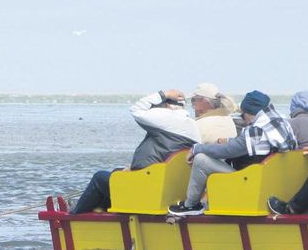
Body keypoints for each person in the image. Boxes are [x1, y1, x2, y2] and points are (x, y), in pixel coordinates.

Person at [70, 89, 200, 214]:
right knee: (116, 172)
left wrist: (164, 94)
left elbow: (136, 109)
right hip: (164, 186)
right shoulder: (192, 125)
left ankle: (74, 215)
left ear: (166, 106)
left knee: (99, 177)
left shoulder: (167, 117)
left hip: (147, 189)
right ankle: (100, 210)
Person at [168, 90, 296, 216]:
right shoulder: (281, 123)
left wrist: (196, 148)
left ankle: (191, 205)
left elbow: (227, 151)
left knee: (201, 160)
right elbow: (246, 145)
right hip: (271, 183)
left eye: (242, 115)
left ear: (250, 113)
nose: (243, 119)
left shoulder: (257, 130)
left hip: (250, 184)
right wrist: (229, 141)